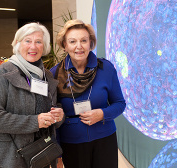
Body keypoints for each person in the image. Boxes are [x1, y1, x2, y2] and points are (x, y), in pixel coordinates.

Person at [0, 22, 65, 168]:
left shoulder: (46, 75)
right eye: (28, 41)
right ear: (17, 44)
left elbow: (52, 107)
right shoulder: (2, 73)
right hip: (12, 158)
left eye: (38, 42)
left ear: (44, 47)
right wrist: (34, 122)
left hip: (43, 155)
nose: (33, 47)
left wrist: (58, 116)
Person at [50, 19, 126, 168]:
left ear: (90, 43)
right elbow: (53, 119)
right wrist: (57, 153)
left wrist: (102, 114)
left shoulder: (106, 68)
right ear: (65, 45)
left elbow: (120, 104)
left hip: (104, 138)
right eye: (72, 41)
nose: (79, 46)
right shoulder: (54, 74)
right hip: (71, 142)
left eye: (84, 41)